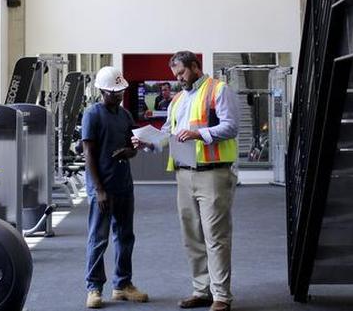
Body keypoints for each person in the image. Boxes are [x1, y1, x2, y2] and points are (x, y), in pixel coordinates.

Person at [133, 51, 239, 311]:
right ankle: (201, 290)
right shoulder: (178, 99)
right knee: (191, 236)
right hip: (183, 174)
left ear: (194, 66)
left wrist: (199, 134)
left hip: (213, 173)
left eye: (181, 73)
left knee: (215, 236)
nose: (178, 79)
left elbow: (231, 126)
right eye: (175, 75)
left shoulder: (219, 90)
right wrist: (148, 143)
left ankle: (221, 296)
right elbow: (168, 134)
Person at [81, 66, 150, 308]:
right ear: (102, 91)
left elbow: (132, 147)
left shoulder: (125, 115)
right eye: (114, 92)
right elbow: (88, 154)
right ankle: (94, 288)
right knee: (98, 238)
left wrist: (131, 151)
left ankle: (122, 285)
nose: (119, 96)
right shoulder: (92, 115)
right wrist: (98, 189)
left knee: (125, 237)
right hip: (103, 188)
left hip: (123, 186)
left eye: (121, 91)